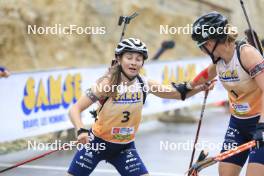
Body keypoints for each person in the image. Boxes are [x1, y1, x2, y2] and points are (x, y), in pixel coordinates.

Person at [67, 38, 212, 176]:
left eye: (138, 59)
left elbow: (176, 94)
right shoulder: (106, 84)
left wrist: (200, 88)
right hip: (97, 144)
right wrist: (81, 130)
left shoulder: (145, 84)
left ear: (142, 62)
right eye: (129, 57)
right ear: (119, 59)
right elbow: (75, 109)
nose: (134, 62)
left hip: (124, 148)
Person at [190, 11, 264, 176]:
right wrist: (186, 86)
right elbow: (204, 75)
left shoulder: (246, 54)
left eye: (201, 45)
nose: (202, 50)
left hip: (260, 123)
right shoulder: (219, 62)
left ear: (210, 43)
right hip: (238, 126)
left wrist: (262, 126)